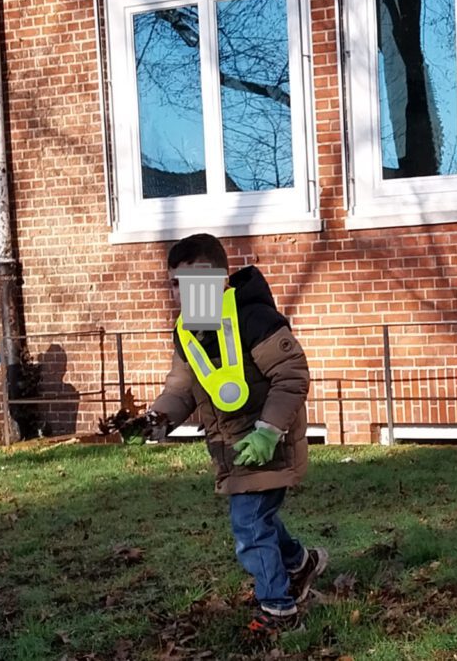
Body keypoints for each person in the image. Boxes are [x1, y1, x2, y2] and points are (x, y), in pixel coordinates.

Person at [142, 233, 327, 638]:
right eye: (175, 284)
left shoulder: (253, 319)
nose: (183, 294)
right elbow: (181, 387)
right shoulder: (188, 333)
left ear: (222, 280)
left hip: (269, 444)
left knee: (249, 527)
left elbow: (291, 375)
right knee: (260, 518)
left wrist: (268, 431)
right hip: (231, 448)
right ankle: (299, 563)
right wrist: (158, 417)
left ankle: (279, 609)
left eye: (195, 283)